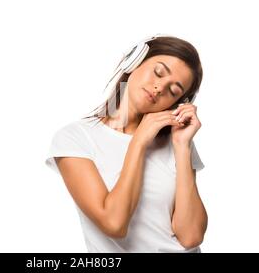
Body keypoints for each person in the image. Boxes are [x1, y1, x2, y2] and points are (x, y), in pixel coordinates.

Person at [45, 35, 207, 252]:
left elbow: (191, 237)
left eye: (173, 91)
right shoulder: (75, 139)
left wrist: (181, 146)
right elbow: (114, 223)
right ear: (133, 62)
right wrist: (139, 141)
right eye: (158, 72)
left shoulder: (178, 142)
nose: (159, 88)